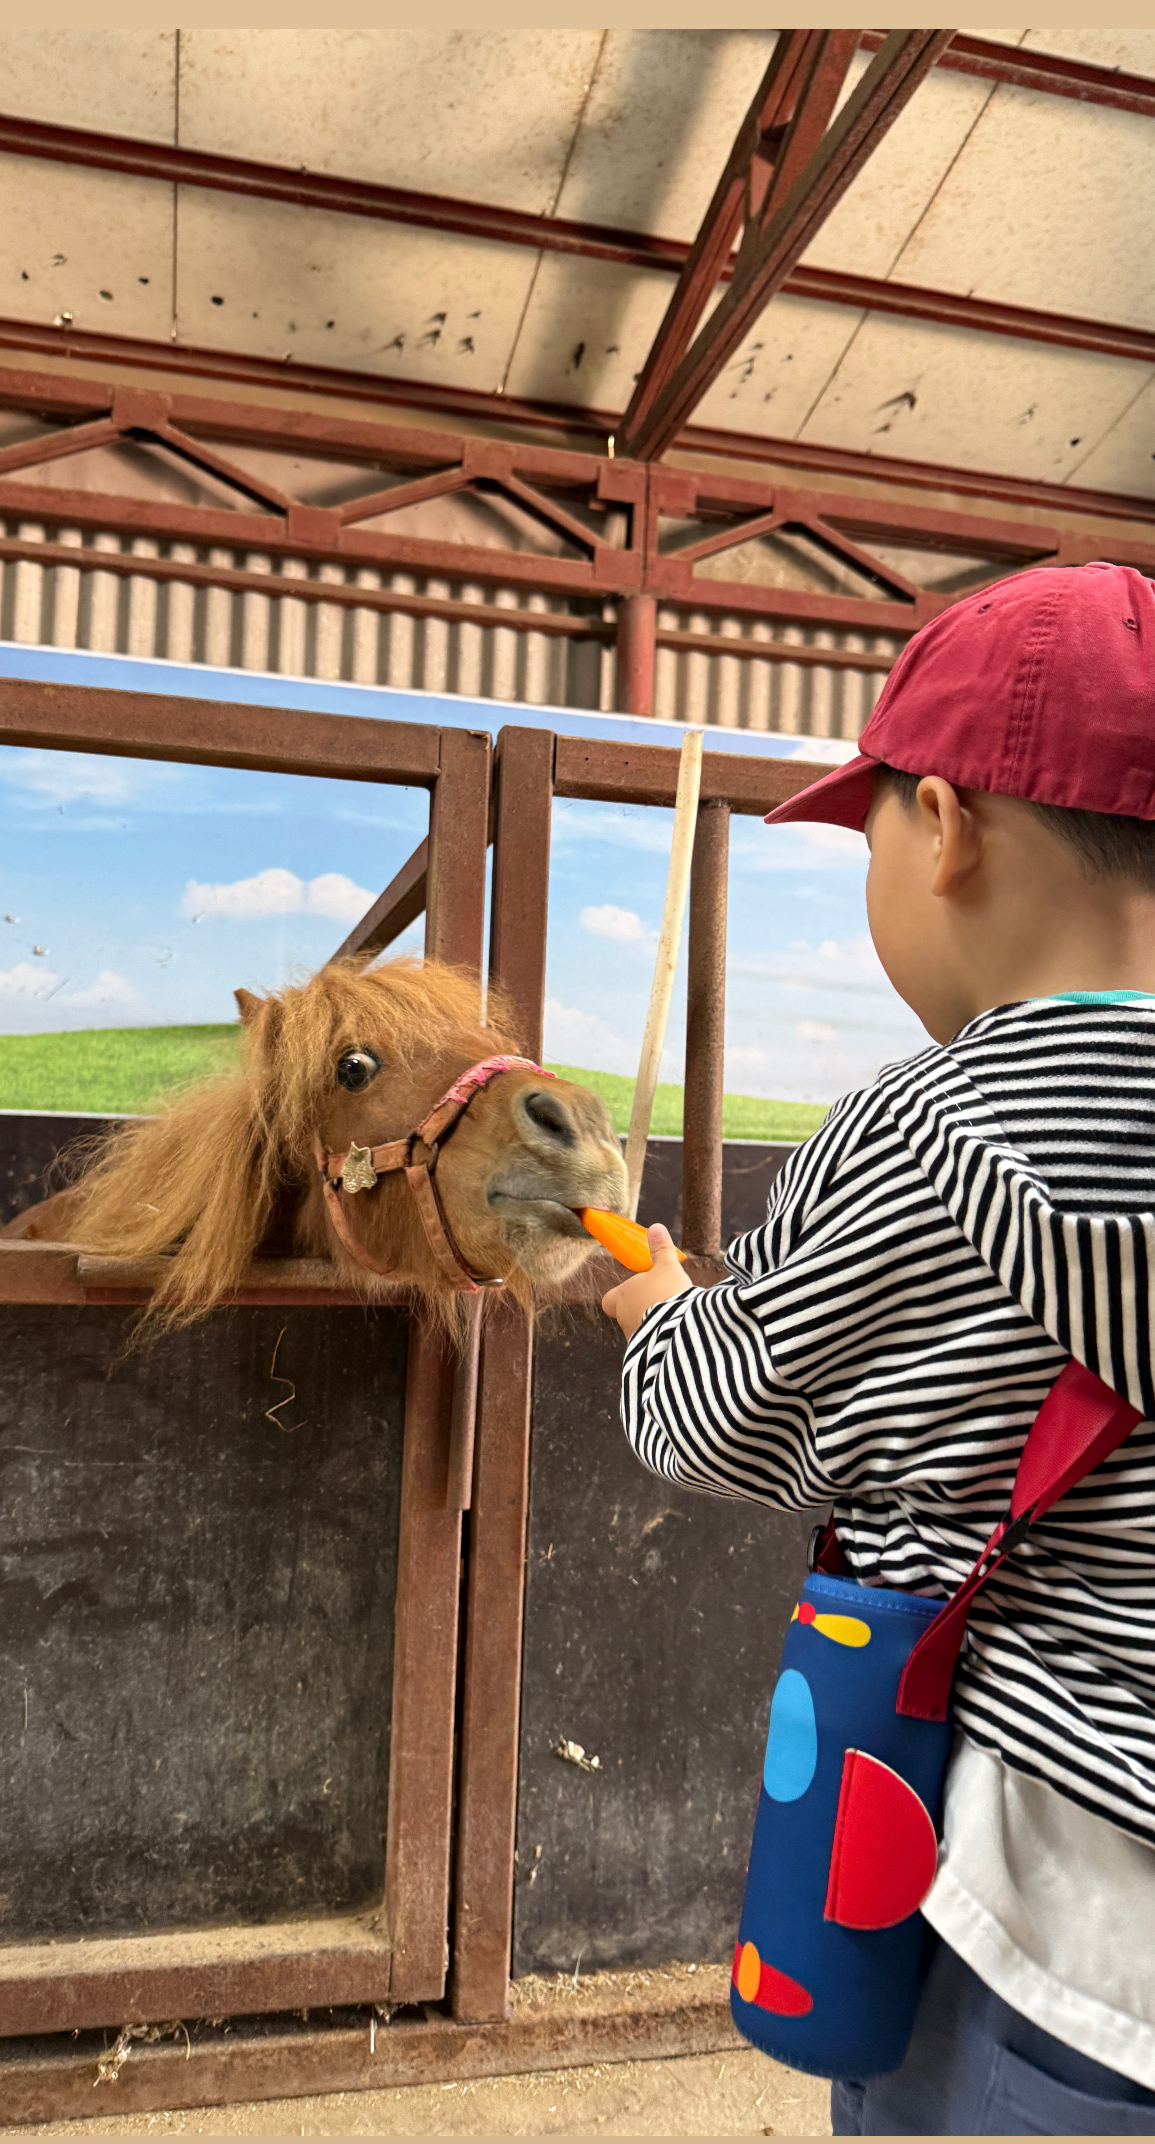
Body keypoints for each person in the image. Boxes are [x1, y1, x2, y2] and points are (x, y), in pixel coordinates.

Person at [603, 561, 1155, 2137]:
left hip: (1053, 1926)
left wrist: (653, 1312)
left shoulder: (922, 1132)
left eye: (874, 831)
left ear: (946, 827)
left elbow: (714, 1420)